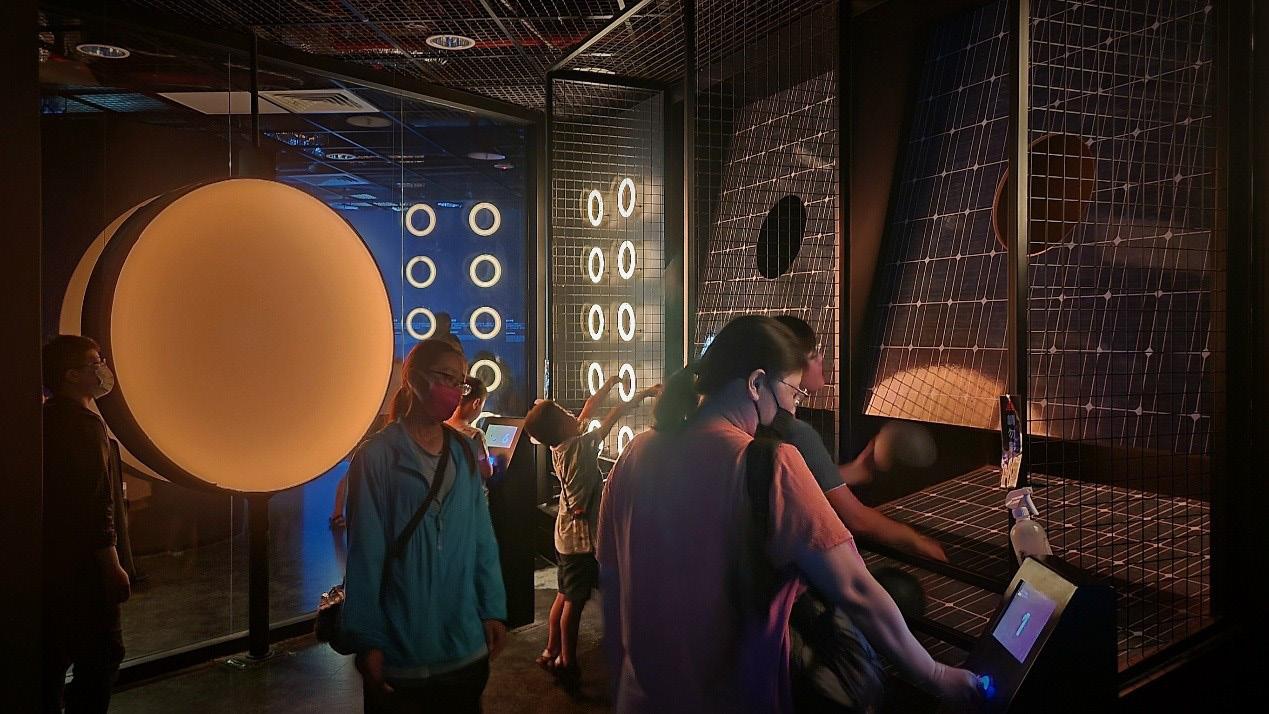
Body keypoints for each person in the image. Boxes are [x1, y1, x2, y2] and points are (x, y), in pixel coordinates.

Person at [596, 316, 979, 713]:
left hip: (641, 698)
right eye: (794, 392)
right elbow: (856, 589)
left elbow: (611, 576)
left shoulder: (636, 453)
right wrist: (935, 674)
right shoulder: (771, 464)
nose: (795, 407)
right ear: (756, 383)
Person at [340, 339, 507, 713]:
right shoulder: (376, 457)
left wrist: (493, 607)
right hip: (402, 652)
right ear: (414, 379)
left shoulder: (463, 451)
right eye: (445, 377)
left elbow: (482, 537)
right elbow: (364, 554)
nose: (455, 390)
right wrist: (368, 640)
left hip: (464, 648)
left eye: (460, 382)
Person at [771, 315, 947, 562]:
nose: (821, 359)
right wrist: (916, 540)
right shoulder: (797, 433)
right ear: (791, 368)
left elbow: (798, 482)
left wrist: (856, 470)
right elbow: (857, 520)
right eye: (813, 355)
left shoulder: (762, 421)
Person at [524, 375, 662, 686]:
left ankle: (550, 650)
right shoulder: (581, 447)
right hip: (580, 539)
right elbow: (612, 416)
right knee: (574, 602)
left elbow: (588, 408)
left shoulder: (563, 444)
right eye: (564, 414)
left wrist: (609, 385)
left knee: (564, 594)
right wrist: (643, 394)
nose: (572, 415)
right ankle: (567, 660)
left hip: (564, 535)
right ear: (561, 427)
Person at [41, 335, 130, 714]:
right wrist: (112, 564)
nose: (103, 369)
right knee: (102, 654)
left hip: (54, 562)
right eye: (95, 362)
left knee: (51, 656)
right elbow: (95, 501)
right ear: (72, 375)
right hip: (86, 568)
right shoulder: (83, 426)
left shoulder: (45, 419)